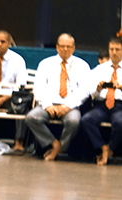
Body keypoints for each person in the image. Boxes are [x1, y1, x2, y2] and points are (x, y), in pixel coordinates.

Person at [25, 33, 91, 161]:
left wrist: (67, 106)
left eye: (68, 46)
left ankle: (61, 147)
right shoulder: (45, 64)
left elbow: (84, 91)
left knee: (74, 121)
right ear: (56, 47)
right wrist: (47, 105)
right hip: (48, 105)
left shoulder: (82, 65)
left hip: (70, 106)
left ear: (73, 48)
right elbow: (38, 88)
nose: (65, 49)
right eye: (62, 46)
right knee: (31, 118)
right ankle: (53, 143)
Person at [79, 37, 122, 165]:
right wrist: (97, 89)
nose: (114, 52)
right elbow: (90, 91)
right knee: (86, 119)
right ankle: (102, 147)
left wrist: (120, 87)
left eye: (117, 49)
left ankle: (111, 149)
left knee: (120, 122)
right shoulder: (100, 69)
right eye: (111, 49)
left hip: (120, 105)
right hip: (102, 105)